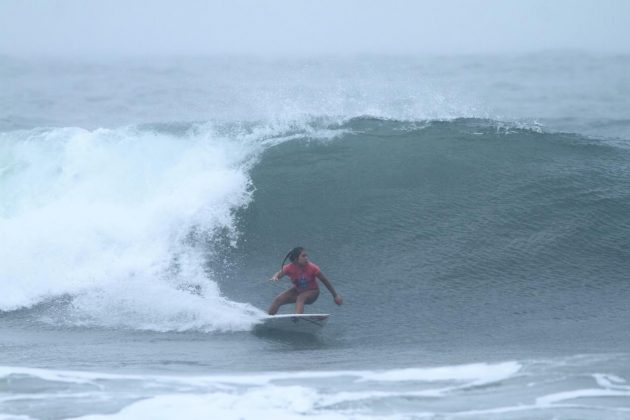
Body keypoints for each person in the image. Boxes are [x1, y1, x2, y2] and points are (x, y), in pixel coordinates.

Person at [267, 247, 343, 315]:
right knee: (278, 299)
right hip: (298, 290)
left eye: (306, 256)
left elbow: (325, 281)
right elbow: (279, 274)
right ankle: (268, 319)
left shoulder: (313, 268)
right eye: (303, 256)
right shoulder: (289, 268)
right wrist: (275, 277)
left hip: (313, 292)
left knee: (301, 297)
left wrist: (335, 295)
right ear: (296, 258)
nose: (306, 258)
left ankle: (297, 319)